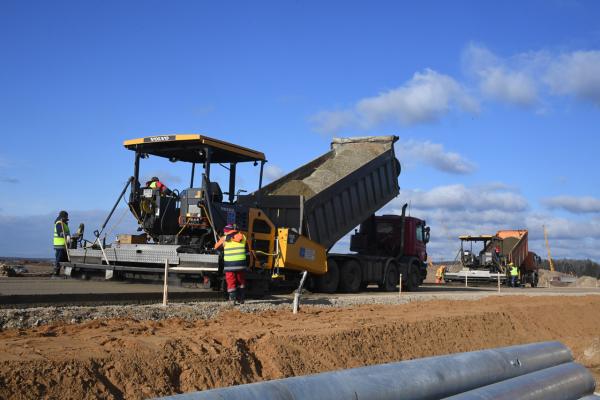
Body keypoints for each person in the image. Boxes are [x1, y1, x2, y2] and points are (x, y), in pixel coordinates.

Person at [214, 224, 248, 304]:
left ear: (226, 231)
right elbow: (247, 248)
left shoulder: (224, 238)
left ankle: (232, 299)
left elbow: (216, 247)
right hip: (241, 264)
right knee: (241, 281)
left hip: (229, 265)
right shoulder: (243, 236)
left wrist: (222, 243)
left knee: (231, 281)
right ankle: (241, 299)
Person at [53, 210, 70, 276]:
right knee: (59, 260)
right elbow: (60, 233)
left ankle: (67, 273)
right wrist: (66, 235)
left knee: (65, 259)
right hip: (60, 245)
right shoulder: (59, 223)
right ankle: (55, 274)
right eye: (66, 217)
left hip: (64, 245)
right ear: (63, 217)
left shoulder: (64, 224)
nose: (66, 219)